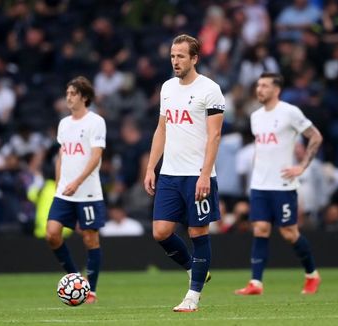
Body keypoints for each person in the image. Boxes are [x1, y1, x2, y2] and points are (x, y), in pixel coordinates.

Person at [143, 34, 225, 312]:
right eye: (172, 56)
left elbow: (214, 137)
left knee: (197, 232)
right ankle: (194, 269)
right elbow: (162, 129)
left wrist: (205, 174)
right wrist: (151, 167)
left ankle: (193, 296)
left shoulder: (210, 90)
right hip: (170, 174)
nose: (175, 61)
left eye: (180, 56)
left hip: (197, 174)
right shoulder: (167, 88)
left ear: (194, 58)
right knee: (160, 232)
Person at [235, 72, 323, 296]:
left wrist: (302, 167)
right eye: (258, 85)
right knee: (260, 229)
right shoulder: (255, 117)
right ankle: (256, 283)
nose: (259, 89)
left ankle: (312, 274)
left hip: (283, 185)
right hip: (259, 185)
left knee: (289, 233)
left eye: (264, 86)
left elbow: (315, 137)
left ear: (277, 90)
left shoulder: (289, 112)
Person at [45, 76, 107, 304]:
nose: (68, 97)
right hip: (64, 191)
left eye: (72, 93)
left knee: (90, 239)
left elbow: (96, 156)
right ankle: (74, 277)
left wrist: (77, 182)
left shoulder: (95, 121)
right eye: (67, 93)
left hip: (88, 191)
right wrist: (59, 182)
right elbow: (62, 155)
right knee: (51, 234)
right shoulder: (64, 124)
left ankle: (91, 290)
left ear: (84, 97)